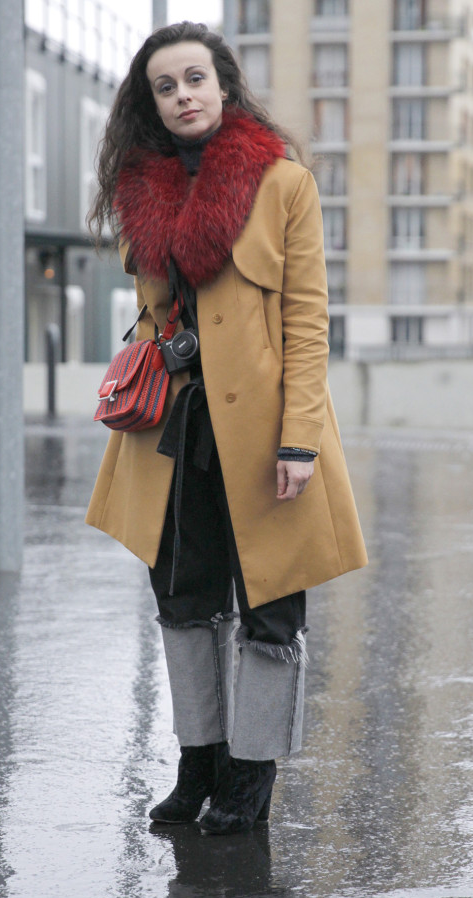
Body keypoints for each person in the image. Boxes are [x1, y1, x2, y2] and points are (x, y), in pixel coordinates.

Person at [86, 20, 367, 836]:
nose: (182, 97)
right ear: (151, 103)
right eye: (164, 87)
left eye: (194, 80)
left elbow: (309, 320)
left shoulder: (281, 183)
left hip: (268, 432)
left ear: (224, 85)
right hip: (170, 431)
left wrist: (300, 439)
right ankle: (199, 759)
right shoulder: (141, 190)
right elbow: (152, 313)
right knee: (181, 596)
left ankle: (252, 772)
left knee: (271, 603)